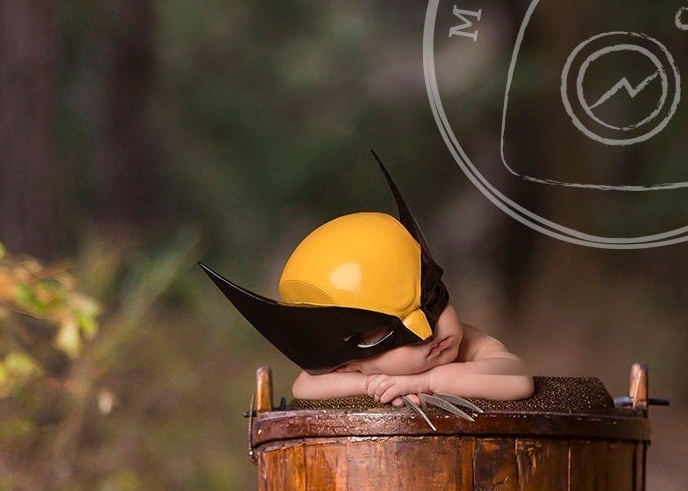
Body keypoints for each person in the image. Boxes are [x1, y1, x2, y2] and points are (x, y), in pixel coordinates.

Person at [202, 158, 534, 410]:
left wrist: (427, 381)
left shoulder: (468, 343)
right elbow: (305, 386)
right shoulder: (359, 369)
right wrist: (369, 383)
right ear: (347, 364)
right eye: (390, 332)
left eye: (432, 301)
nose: (426, 332)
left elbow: (516, 378)